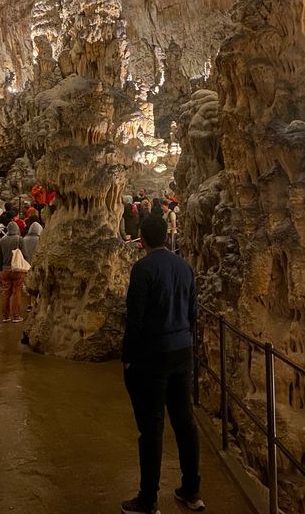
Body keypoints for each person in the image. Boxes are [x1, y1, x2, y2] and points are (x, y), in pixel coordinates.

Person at [121, 216, 204, 514]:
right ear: (167, 236)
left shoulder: (143, 269)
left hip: (153, 355)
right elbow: (193, 312)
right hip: (182, 351)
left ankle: (148, 498)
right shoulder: (184, 266)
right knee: (185, 422)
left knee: (152, 427)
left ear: (141, 238)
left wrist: (128, 358)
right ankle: (192, 490)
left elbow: (136, 318)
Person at [0, 222, 29, 323]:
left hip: (6, 269)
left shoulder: (2, 240)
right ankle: (16, 316)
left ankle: (6, 316)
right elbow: (25, 254)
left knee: (6, 293)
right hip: (17, 269)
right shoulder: (20, 239)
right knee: (16, 292)